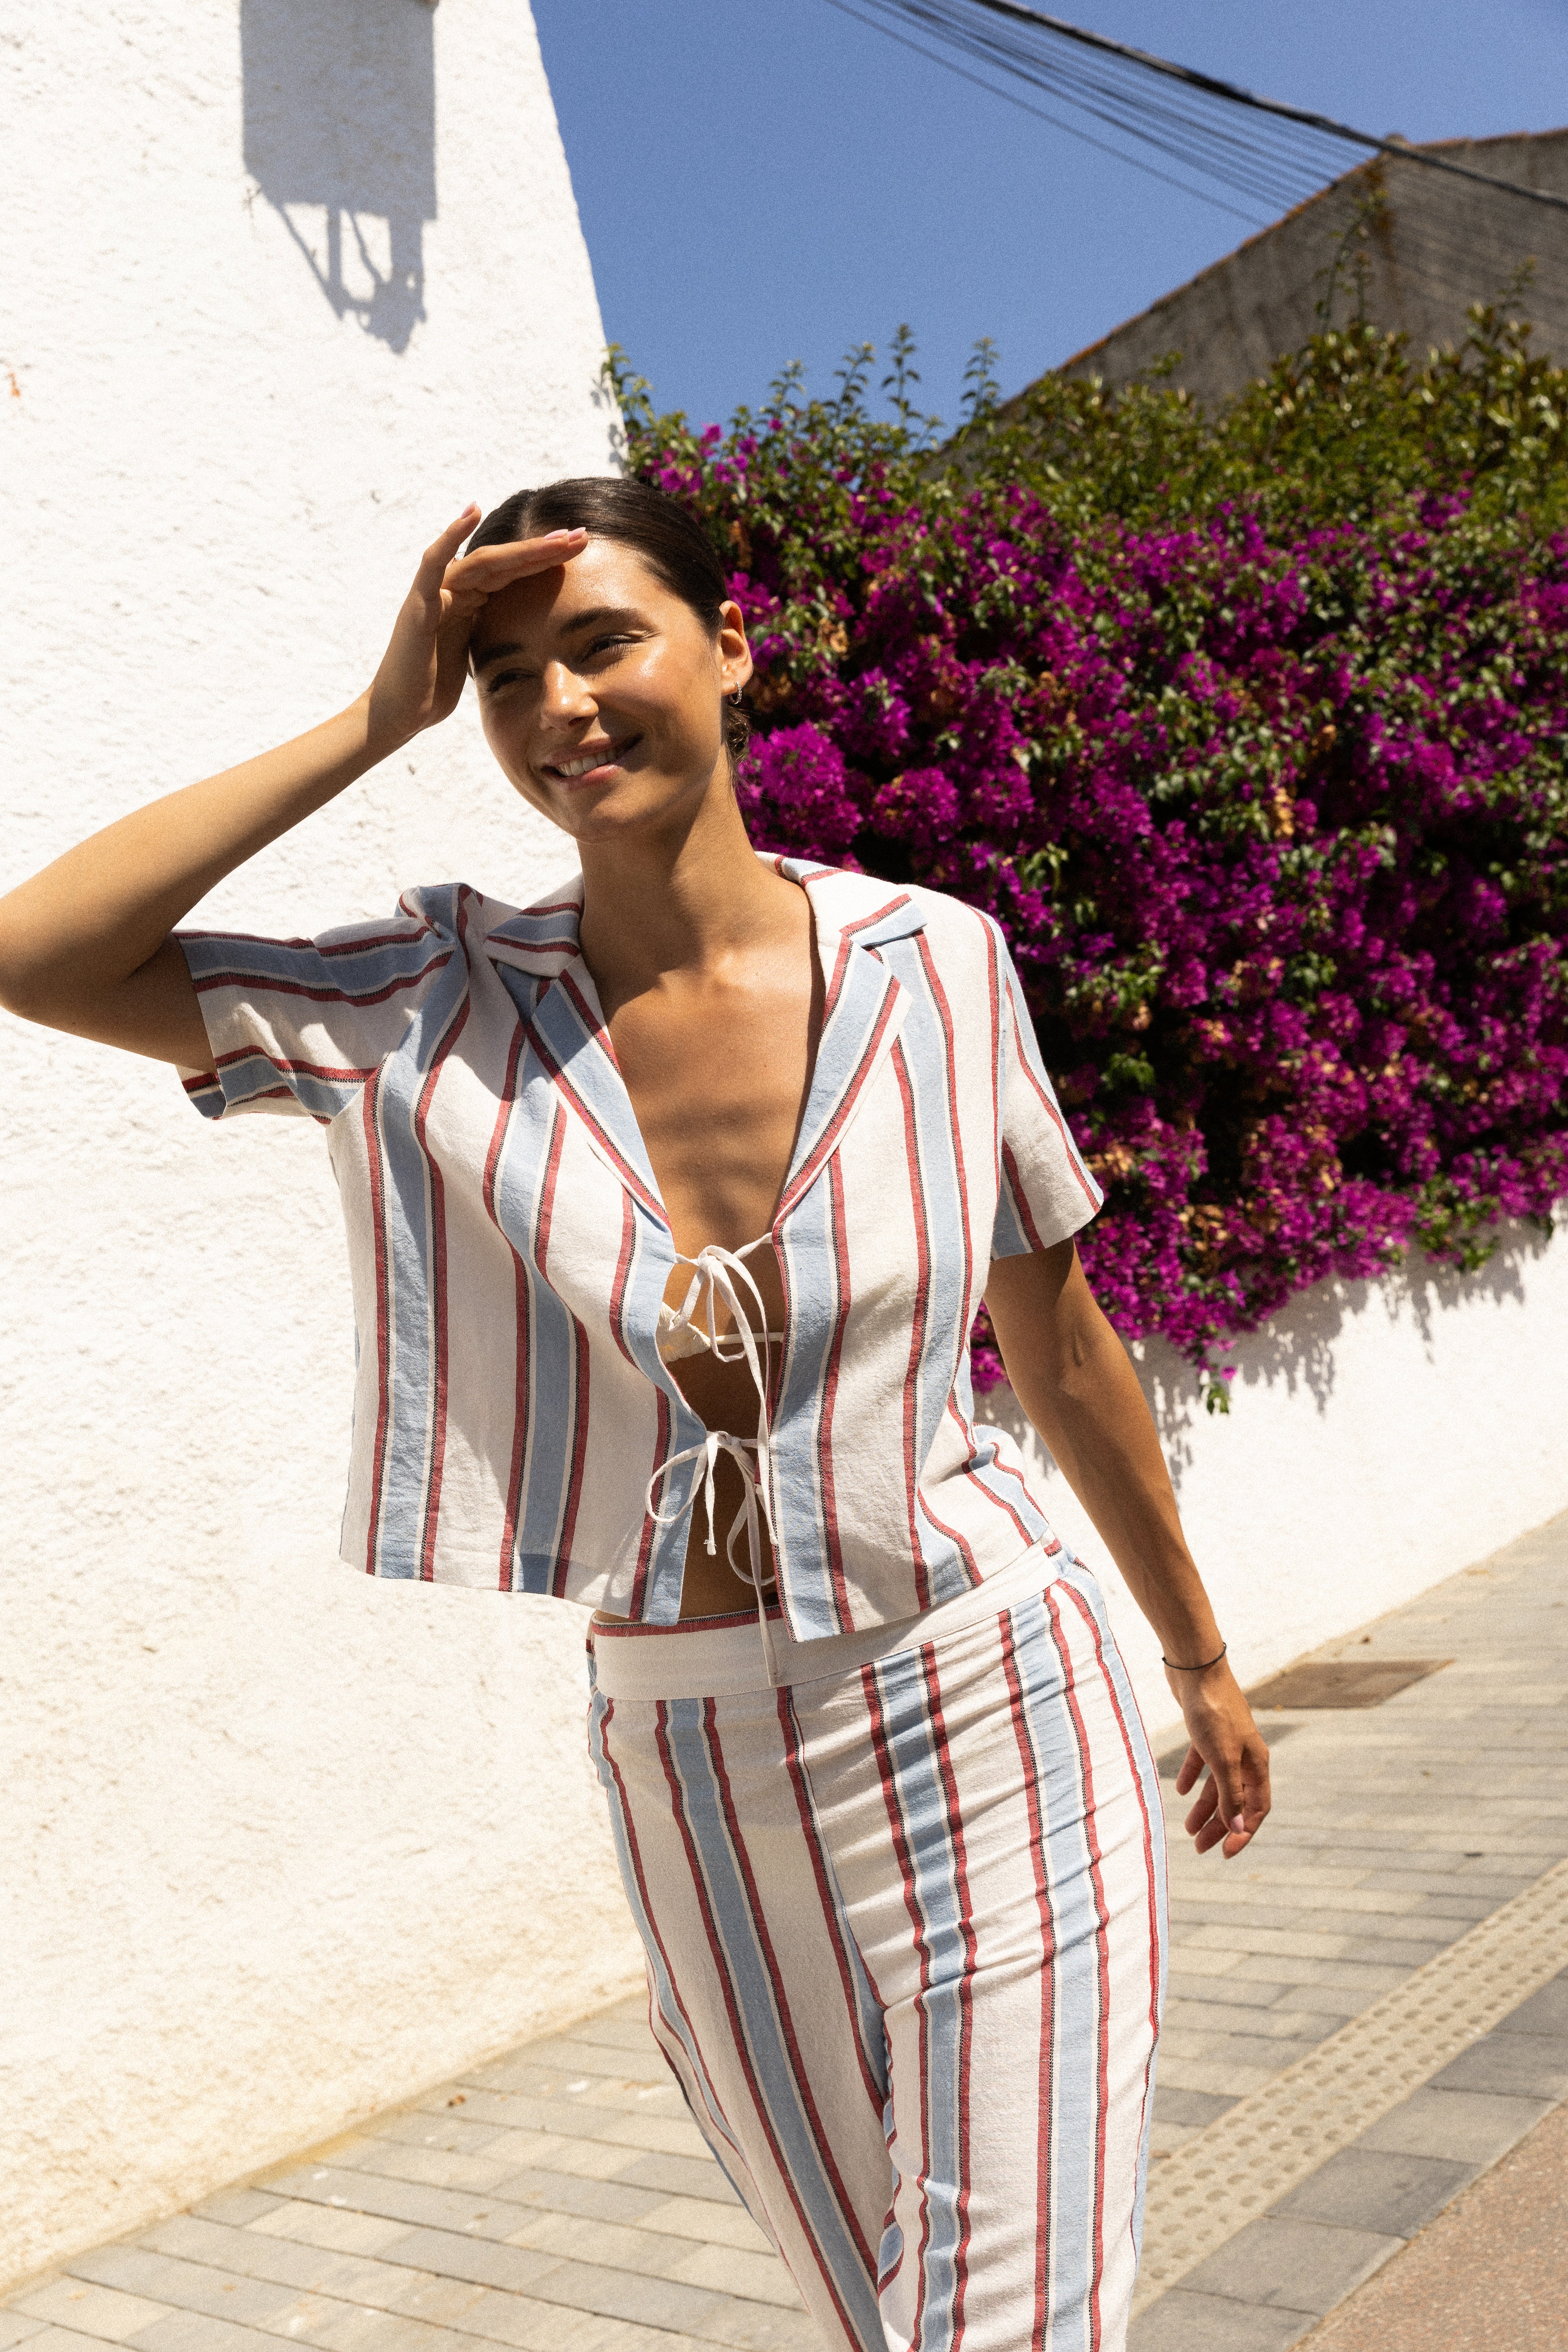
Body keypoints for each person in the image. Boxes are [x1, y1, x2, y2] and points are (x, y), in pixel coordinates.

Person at [0, 476, 1269, 2352]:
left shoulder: (935, 965)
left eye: (603, 642)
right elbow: (40, 954)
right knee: (877, 2317)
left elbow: (1060, 1340)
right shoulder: (428, 1004)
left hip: (987, 1687)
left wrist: (1200, 1657)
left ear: (730, 648)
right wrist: (376, 717)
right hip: (690, 1758)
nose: (560, 705)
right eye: (507, 675)